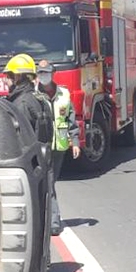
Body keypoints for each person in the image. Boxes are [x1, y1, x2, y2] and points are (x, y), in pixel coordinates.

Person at [36, 60, 80, 236]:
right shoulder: (34, 95)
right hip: (42, 146)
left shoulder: (64, 94)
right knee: (48, 182)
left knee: (50, 182)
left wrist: (75, 142)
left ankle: (46, 218)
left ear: (52, 73)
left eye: (46, 72)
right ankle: (54, 221)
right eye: (40, 73)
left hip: (59, 147)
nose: (43, 76)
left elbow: (71, 120)